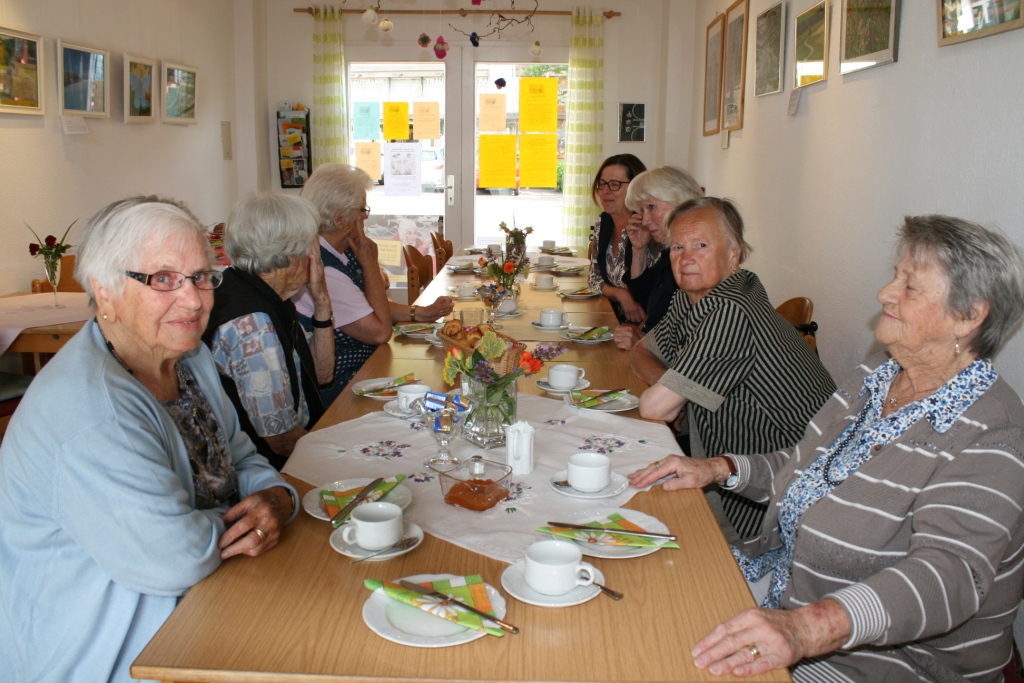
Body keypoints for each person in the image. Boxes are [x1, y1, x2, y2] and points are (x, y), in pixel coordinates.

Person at [629, 215, 1024, 682]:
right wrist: (718, 468)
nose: (885, 294)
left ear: (969, 315)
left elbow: (949, 576)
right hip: (781, 582)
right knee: (642, 597)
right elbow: (809, 464)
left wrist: (807, 629)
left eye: (910, 286)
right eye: (894, 275)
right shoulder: (878, 375)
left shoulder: (992, 433)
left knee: (662, 654)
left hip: (884, 660)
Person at [0, 196, 298, 683]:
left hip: (208, 602)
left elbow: (242, 455)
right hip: (111, 653)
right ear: (105, 291)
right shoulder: (91, 411)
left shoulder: (187, 357)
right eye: (162, 279)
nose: (195, 298)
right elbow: (171, 558)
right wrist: (250, 516)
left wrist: (277, 499)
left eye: (202, 276)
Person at [631, 197, 835, 541]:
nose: (686, 258)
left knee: (641, 515)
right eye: (677, 246)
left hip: (783, 493)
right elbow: (640, 350)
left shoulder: (732, 308)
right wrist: (674, 388)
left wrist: (673, 394)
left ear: (733, 254)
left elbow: (654, 408)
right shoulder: (693, 297)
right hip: (729, 462)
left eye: (701, 245)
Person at [295, 164, 453, 406]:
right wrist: (369, 264)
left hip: (369, 372)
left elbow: (367, 307)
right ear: (340, 219)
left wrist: (419, 312)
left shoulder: (341, 251)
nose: (366, 218)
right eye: (363, 210)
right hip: (344, 391)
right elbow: (379, 332)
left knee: (439, 378)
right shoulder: (323, 270)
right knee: (438, 392)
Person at [203, 192, 335, 470]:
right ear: (293, 252)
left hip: (293, 451)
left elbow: (321, 375)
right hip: (266, 473)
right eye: (314, 241)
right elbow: (283, 441)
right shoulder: (253, 325)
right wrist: (340, 460)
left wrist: (322, 302)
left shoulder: (264, 293)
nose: (318, 250)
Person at [614, 166, 703, 350]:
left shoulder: (694, 261)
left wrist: (643, 342)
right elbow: (643, 297)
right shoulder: (670, 252)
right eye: (642, 210)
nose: (645, 220)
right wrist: (639, 249)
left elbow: (689, 347)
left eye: (651, 207)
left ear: (681, 203)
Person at [586, 153, 649, 323]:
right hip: (611, 318)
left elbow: (649, 293)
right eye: (602, 184)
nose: (605, 191)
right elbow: (593, 278)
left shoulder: (647, 228)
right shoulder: (604, 221)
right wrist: (621, 294)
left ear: (636, 188)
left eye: (615, 185)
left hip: (646, 327)